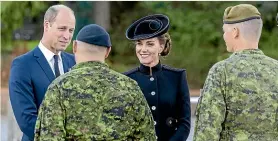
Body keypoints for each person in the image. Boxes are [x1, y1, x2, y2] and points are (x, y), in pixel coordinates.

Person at [34, 24, 156, 140]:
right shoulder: (130, 88)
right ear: (108, 51)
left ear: (75, 46)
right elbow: (147, 136)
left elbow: (49, 136)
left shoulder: (58, 88)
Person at [193, 4, 278, 141]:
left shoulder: (221, 72)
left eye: (224, 31)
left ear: (235, 32)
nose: (224, 36)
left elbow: (207, 131)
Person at [9, 4, 76, 141]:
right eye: (62, 29)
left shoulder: (75, 62)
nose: (67, 36)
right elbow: (26, 120)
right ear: (47, 26)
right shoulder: (22, 65)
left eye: (71, 30)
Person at [124, 14, 191, 141]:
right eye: (139, 44)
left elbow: (185, 123)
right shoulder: (125, 80)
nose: (143, 49)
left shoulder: (176, 77)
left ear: (161, 46)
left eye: (149, 44)